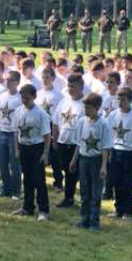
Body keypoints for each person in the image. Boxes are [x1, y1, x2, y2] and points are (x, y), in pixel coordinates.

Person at [70, 93, 112, 229]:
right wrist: (74, 160)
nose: (86, 110)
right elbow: (78, 143)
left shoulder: (103, 124)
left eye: (89, 108)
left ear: (97, 108)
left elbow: (106, 147)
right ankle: (85, 218)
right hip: (83, 159)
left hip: (96, 160)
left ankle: (94, 220)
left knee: (95, 192)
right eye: (85, 108)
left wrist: (104, 166)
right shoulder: (82, 121)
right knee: (84, 190)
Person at [12, 84, 52, 221]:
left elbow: (47, 136)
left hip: (37, 147)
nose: (24, 101)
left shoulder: (41, 114)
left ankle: (43, 209)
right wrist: (17, 149)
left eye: (27, 98)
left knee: (38, 180)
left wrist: (45, 153)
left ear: (34, 97)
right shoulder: (18, 112)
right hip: (24, 147)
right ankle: (27, 206)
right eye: (22, 98)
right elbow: (16, 132)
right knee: (27, 178)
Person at [107, 88, 132, 219]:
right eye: (118, 99)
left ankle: (128, 211)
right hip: (115, 151)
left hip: (129, 152)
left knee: (128, 183)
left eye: (123, 99)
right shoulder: (113, 115)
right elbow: (109, 134)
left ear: (129, 100)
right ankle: (118, 209)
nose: (120, 102)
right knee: (116, 181)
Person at [52, 73, 85, 207]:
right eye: (69, 86)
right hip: (63, 141)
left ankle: (81, 198)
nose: (71, 89)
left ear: (81, 87)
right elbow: (55, 122)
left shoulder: (85, 104)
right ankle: (69, 197)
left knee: (77, 172)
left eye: (73, 86)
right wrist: (55, 140)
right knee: (67, 170)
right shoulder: (64, 101)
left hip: (77, 144)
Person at [0, 71, 22, 199]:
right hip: (2, 132)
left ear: (17, 82)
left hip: (14, 134)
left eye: (11, 80)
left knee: (14, 164)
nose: (8, 82)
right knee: (2, 163)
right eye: (6, 79)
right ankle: (5, 188)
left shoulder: (19, 98)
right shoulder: (1, 96)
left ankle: (16, 190)